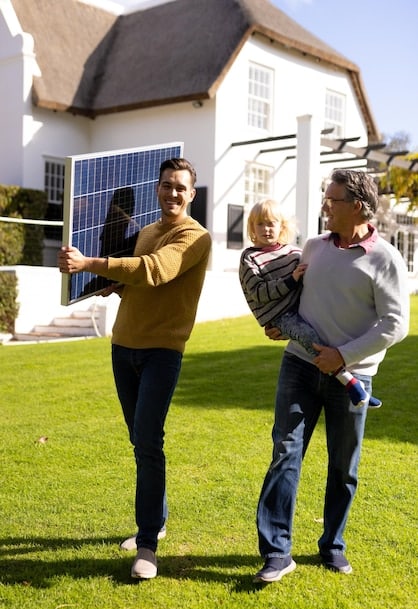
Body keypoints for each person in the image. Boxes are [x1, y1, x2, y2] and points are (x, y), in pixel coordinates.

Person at [58, 157, 211, 580]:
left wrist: (91, 264)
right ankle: (156, 523)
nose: (172, 193)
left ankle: (147, 544)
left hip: (163, 351)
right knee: (139, 439)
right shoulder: (146, 230)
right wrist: (115, 288)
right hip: (123, 347)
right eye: (166, 186)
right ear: (157, 189)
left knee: (148, 440)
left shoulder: (196, 237)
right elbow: (139, 285)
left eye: (180, 187)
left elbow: (156, 271)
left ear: (192, 194)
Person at [254, 169, 409, 583]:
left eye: (332, 199)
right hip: (299, 366)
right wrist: (278, 323)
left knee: (343, 466)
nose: (325, 205)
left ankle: (332, 546)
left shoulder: (386, 259)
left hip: (352, 376)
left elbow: (396, 325)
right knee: (285, 454)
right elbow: (295, 296)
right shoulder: (313, 247)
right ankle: (276, 552)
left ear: (357, 205)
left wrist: (342, 355)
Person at [239, 199, 381, 408]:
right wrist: (291, 280)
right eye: (260, 224)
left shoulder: (293, 252)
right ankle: (350, 383)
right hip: (280, 316)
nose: (266, 229)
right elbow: (259, 293)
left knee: (327, 332)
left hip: (300, 308)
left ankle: (354, 384)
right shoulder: (250, 257)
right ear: (252, 227)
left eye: (271, 223)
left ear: (282, 227)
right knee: (311, 340)